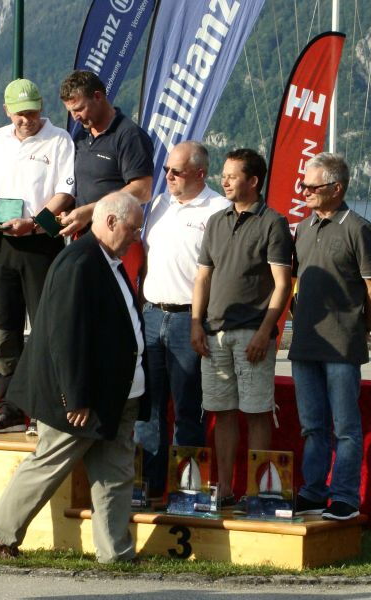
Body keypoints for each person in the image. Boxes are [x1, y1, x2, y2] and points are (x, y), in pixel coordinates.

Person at [0, 192, 148, 563]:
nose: (137, 236)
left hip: (118, 393)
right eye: (133, 228)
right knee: (51, 462)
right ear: (110, 222)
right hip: (83, 397)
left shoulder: (109, 261)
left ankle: (115, 552)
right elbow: (65, 336)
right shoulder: (79, 262)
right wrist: (76, 396)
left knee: (115, 472)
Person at [190, 148, 293, 508]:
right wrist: (196, 323)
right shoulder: (216, 221)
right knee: (223, 412)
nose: (225, 181)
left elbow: (283, 284)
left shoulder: (273, 223)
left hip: (253, 333)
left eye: (233, 176)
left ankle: (259, 492)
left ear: (253, 181)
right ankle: (224, 488)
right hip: (214, 332)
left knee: (257, 412)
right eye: (224, 175)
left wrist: (266, 331)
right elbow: (203, 278)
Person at [0, 78, 75, 434]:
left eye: (31, 113)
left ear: (41, 107)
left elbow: (65, 195)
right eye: (19, 114)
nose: (25, 120)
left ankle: (45, 409)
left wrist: (33, 223)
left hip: (41, 245)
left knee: (45, 328)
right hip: (3, 245)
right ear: (6, 111)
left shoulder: (59, 139)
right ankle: (11, 409)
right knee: (4, 330)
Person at [288, 153, 371, 521]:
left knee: (345, 427)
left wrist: (363, 327)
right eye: (303, 185)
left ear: (336, 188)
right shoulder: (303, 228)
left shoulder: (359, 229)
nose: (304, 191)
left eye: (311, 186)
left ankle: (344, 497)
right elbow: (295, 282)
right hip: (305, 345)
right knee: (312, 426)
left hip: (343, 345)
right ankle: (313, 492)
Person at [134, 141, 230, 497]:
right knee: (148, 407)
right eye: (166, 170)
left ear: (200, 174)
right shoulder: (159, 204)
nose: (168, 176)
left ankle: (187, 493)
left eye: (177, 172)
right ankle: (147, 486)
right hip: (151, 313)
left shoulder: (218, 209)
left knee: (189, 410)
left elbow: (220, 271)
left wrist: (200, 321)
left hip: (189, 319)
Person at [58, 70, 153, 236]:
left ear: (98, 97)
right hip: (84, 235)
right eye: (71, 111)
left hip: (117, 236)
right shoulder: (81, 136)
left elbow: (142, 190)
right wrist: (71, 211)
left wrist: (92, 210)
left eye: (79, 109)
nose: (75, 117)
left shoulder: (129, 135)